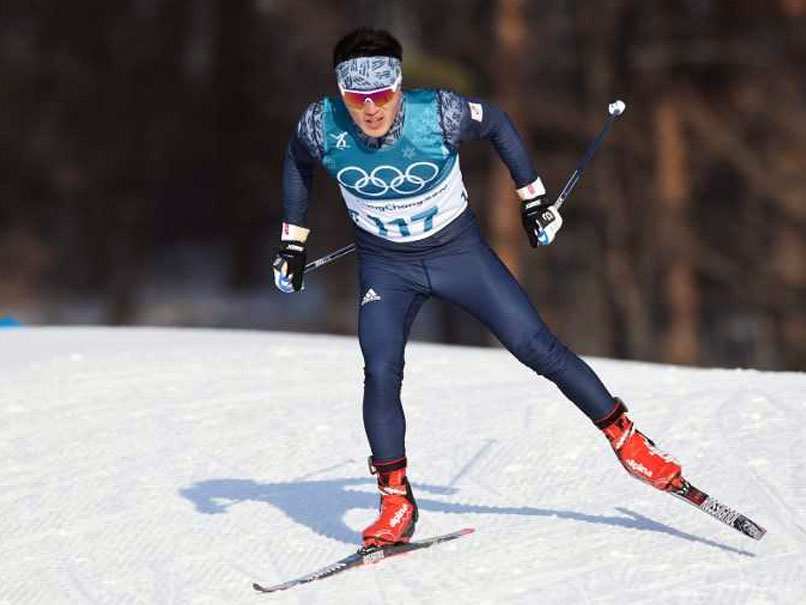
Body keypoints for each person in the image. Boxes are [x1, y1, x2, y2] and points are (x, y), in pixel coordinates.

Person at [272, 27, 683, 549]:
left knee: (537, 348)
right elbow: (295, 161)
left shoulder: (437, 113)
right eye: (358, 97)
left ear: (399, 88)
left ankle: (628, 441)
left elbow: (500, 125)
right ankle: (396, 501)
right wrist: (292, 242)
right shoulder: (319, 124)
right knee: (379, 371)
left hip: (457, 255)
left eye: (382, 95)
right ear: (342, 94)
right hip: (386, 268)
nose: (371, 109)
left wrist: (533, 198)